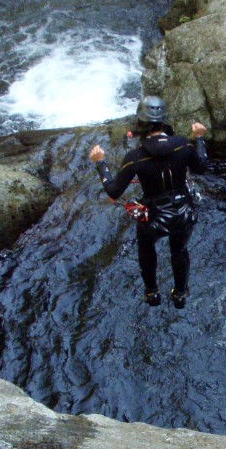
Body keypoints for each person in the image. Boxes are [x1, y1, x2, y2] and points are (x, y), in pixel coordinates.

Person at [89, 96, 209, 309]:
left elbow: (114, 191)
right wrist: (199, 138)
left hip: (154, 217)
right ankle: (180, 295)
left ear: (140, 124)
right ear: (164, 122)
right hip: (184, 212)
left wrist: (101, 164)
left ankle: (152, 293)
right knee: (179, 250)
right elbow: (201, 167)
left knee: (146, 248)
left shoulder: (135, 157)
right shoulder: (183, 144)